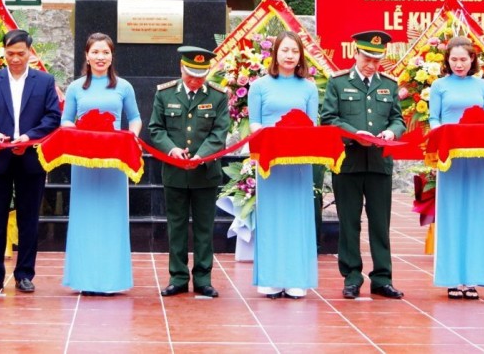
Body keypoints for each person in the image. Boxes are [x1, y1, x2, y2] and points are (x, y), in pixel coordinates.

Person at [319, 30, 405, 300]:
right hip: (348, 163)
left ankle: (382, 278)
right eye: (367, 58)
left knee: (380, 223)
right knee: (349, 222)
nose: (371, 65)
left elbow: (398, 119)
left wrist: (392, 132)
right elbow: (329, 118)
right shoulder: (338, 82)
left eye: (376, 60)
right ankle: (352, 276)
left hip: (379, 163)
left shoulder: (389, 85)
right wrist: (355, 135)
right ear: (356, 54)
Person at [0, 29, 62, 294]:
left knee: (28, 219)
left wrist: (27, 137)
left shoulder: (44, 81)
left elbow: (51, 118)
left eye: (20, 54)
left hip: (30, 158)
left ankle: (24, 274)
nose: (15, 59)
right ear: (3, 53)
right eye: (10, 54)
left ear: (29, 53)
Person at [60, 33, 141, 295]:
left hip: (114, 162)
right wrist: (75, 131)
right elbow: (66, 120)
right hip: (83, 161)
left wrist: (132, 137)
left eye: (105, 52)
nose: (100, 57)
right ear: (86, 55)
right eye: (95, 52)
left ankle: (111, 280)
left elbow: (135, 118)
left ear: (111, 56)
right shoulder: (75, 88)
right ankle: (83, 278)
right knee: (85, 217)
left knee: (111, 218)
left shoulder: (123, 87)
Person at [148, 46, 230, 298]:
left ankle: (203, 278)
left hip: (205, 173)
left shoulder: (218, 96)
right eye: (190, 75)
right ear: (181, 69)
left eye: (200, 75)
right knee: (177, 226)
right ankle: (178, 276)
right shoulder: (165, 93)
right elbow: (155, 129)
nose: (195, 81)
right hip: (174, 172)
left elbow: (219, 132)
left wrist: (201, 155)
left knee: (205, 227)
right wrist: (172, 149)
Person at [248, 31, 319, 299]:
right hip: (270, 162)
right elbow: (254, 123)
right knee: (271, 217)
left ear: (301, 55)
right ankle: (271, 277)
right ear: (275, 52)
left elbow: (312, 125)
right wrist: (271, 138)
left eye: (295, 51)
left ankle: (296, 277)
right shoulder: (259, 86)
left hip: (298, 162)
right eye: (285, 50)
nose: (290, 56)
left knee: (297, 216)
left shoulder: (309, 87)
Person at [427, 36, 484, 300]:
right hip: (450, 156)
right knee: (451, 212)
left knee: (477, 213)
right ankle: (452, 278)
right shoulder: (439, 86)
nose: (458, 64)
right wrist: (440, 136)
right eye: (453, 59)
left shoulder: (483, 86)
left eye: (463, 59)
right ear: (447, 61)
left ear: (473, 60)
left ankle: (474, 277)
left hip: (477, 156)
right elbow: (434, 117)